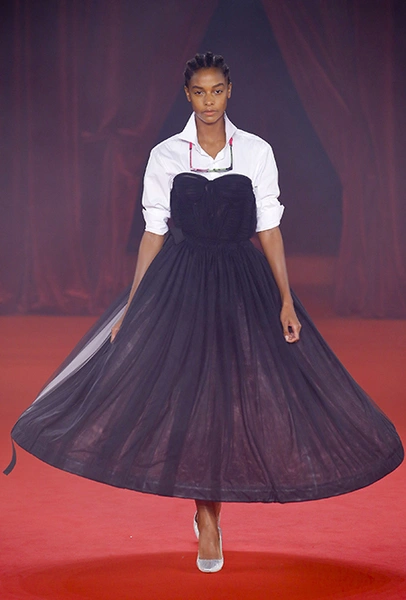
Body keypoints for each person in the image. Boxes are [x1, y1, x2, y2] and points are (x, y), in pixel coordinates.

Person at [5, 52, 404, 574]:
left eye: (217, 90)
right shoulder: (166, 154)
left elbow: (269, 228)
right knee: (193, 394)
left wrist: (286, 299)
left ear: (229, 91)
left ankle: (210, 510)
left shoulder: (256, 150)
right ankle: (208, 519)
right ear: (187, 95)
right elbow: (154, 232)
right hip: (182, 282)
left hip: (242, 283)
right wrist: (134, 306)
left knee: (233, 393)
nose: (209, 100)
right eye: (199, 91)